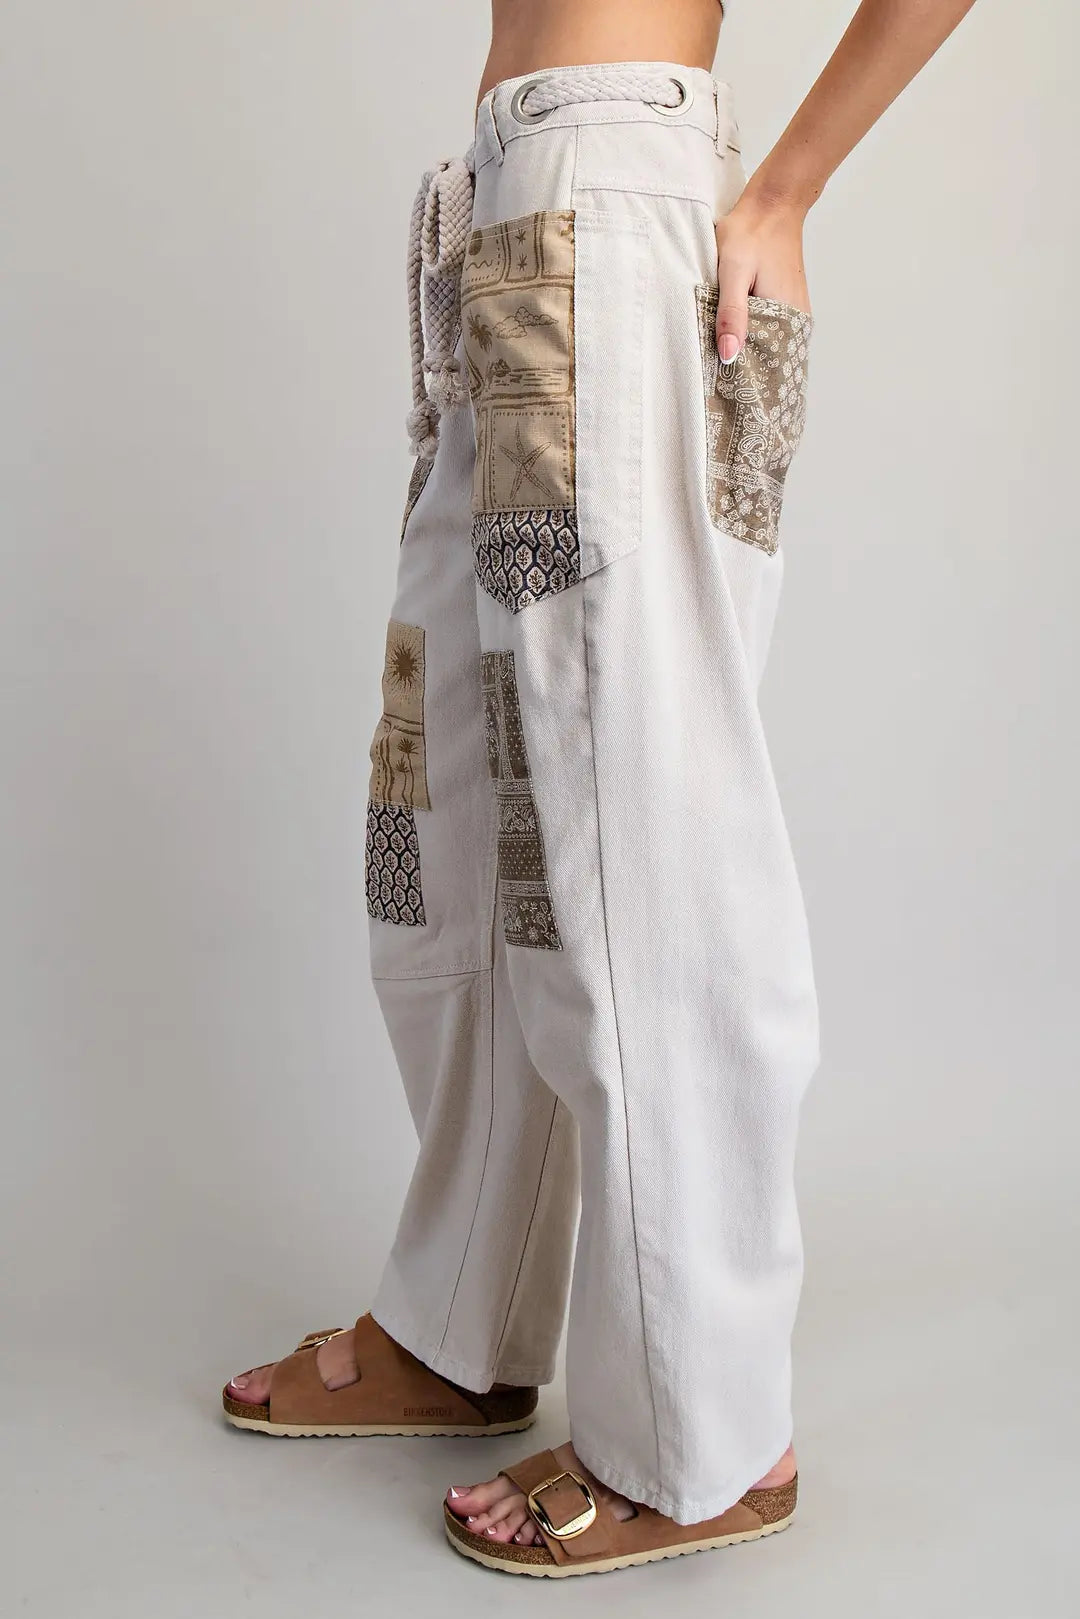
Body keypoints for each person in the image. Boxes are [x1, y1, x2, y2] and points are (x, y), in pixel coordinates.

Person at [223, 0, 978, 1579]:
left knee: (634, 850)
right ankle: (463, 1321)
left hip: (612, 208)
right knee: (453, 827)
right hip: (506, 204)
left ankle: (704, 1437)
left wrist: (789, 187)